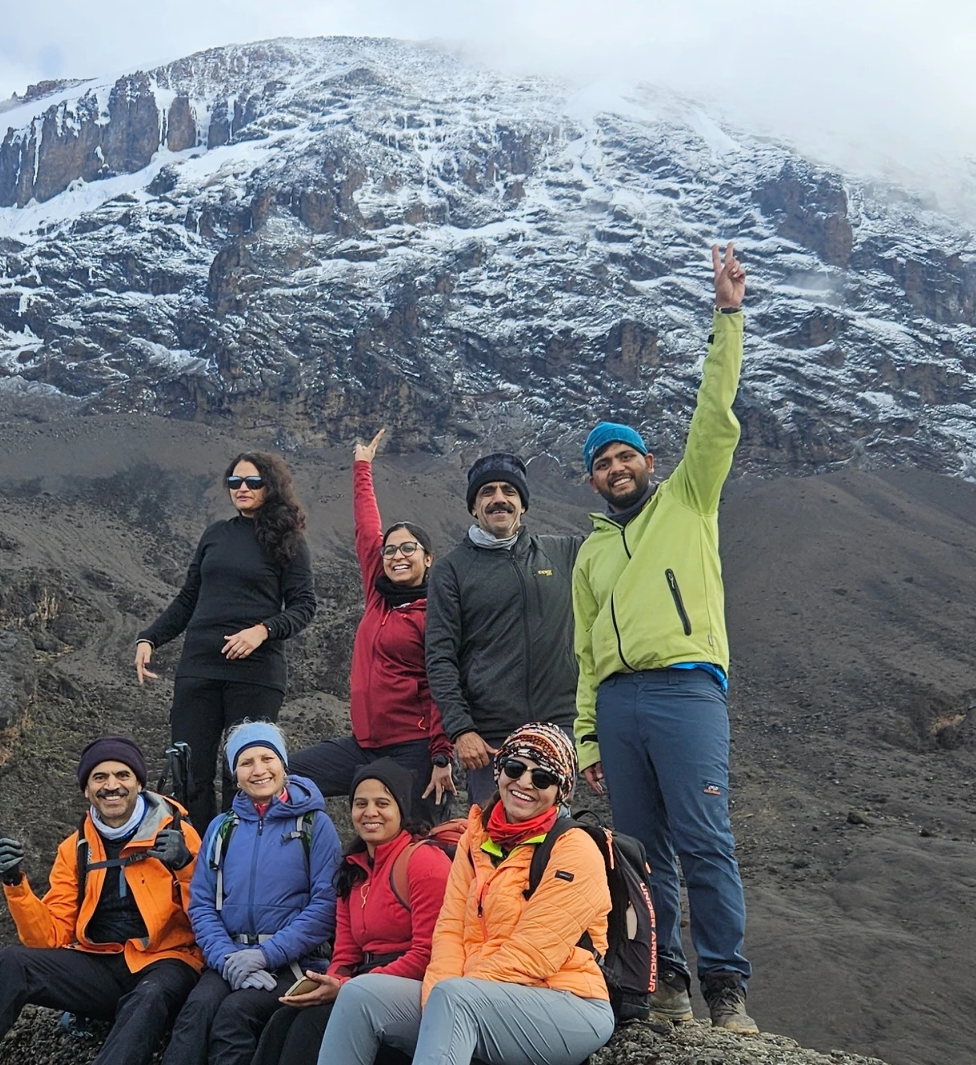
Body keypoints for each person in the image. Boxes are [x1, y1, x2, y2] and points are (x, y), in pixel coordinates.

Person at [572, 242, 756, 1034]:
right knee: (639, 853)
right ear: (591, 478)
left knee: (705, 837)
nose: (616, 468)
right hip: (617, 704)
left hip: (685, 688)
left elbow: (715, 414)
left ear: (649, 461)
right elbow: (583, 652)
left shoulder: (689, 498)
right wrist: (585, 738)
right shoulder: (590, 551)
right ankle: (664, 980)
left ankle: (728, 989)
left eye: (625, 455)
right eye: (602, 462)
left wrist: (727, 315)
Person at [318, 724, 613, 1065]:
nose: (525, 783)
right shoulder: (476, 839)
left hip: (568, 1001)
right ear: (500, 771)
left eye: (543, 778)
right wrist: (436, 996)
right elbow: (449, 931)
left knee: (454, 998)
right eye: (516, 768)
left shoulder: (575, 847)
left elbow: (535, 953)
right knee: (358, 994)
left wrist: (451, 996)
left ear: (560, 791)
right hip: (473, 992)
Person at [0, 736, 202, 1065]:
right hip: (100, 967)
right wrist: (14, 882)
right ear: (86, 790)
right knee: (12, 962)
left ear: (138, 783)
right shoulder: (75, 848)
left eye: (123, 776)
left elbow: (209, 916)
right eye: (100, 777)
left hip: (166, 962)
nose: (112, 786)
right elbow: (49, 936)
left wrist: (185, 865)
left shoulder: (177, 834)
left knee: (149, 995)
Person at [137, 452, 318, 826]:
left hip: (255, 672)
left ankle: (240, 860)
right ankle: (196, 865)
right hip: (199, 668)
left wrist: (262, 631)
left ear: (271, 486)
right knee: (189, 771)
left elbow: (304, 605)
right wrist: (150, 638)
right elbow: (189, 597)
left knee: (245, 773)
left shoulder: (290, 540)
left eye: (253, 482)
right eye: (235, 482)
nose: (242, 489)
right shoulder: (216, 534)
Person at [290, 429, 456, 820]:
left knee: (416, 836)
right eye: (391, 549)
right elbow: (367, 532)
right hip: (365, 745)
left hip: (413, 746)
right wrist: (362, 466)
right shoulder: (378, 595)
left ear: (428, 558)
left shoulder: (438, 612)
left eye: (408, 548)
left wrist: (442, 754)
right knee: (285, 774)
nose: (397, 555)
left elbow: (443, 684)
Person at [251, 758, 453, 1065]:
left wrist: (346, 988)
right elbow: (345, 954)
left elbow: (429, 953)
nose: (370, 812)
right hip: (363, 980)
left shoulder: (425, 862)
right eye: (361, 803)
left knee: (313, 1025)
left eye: (382, 803)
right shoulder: (353, 870)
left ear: (401, 809)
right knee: (282, 1020)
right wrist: (331, 982)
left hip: (412, 986)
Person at [162, 722, 340, 1065]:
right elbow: (202, 905)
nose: (259, 770)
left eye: (267, 758)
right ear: (234, 773)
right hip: (229, 956)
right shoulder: (222, 827)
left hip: (295, 963)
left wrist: (265, 955)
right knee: (195, 1013)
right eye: (246, 762)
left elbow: (325, 906)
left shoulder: (314, 825)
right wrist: (227, 958)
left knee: (234, 1015)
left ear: (283, 763)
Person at [423, 451, 582, 805]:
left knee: (555, 840)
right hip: (490, 738)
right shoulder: (452, 569)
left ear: (522, 504)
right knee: (493, 843)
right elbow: (440, 657)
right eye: (487, 492)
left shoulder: (564, 552)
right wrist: (461, 730)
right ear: (473, 507)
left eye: (509, 491)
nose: (499, 499)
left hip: (560, 727)